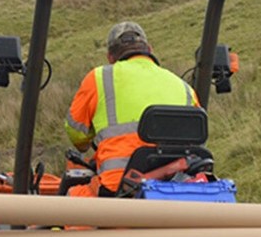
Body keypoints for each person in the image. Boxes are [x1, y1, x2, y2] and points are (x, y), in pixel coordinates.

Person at [64, 21, 199, 197]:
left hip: (118, 188)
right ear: (149, 50)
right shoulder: (184, 88)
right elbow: (198, 143)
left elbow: (77, 134)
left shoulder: (99, 77)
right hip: (180, 188)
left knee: (68, 200)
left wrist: (89, 142)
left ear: (110, 58)